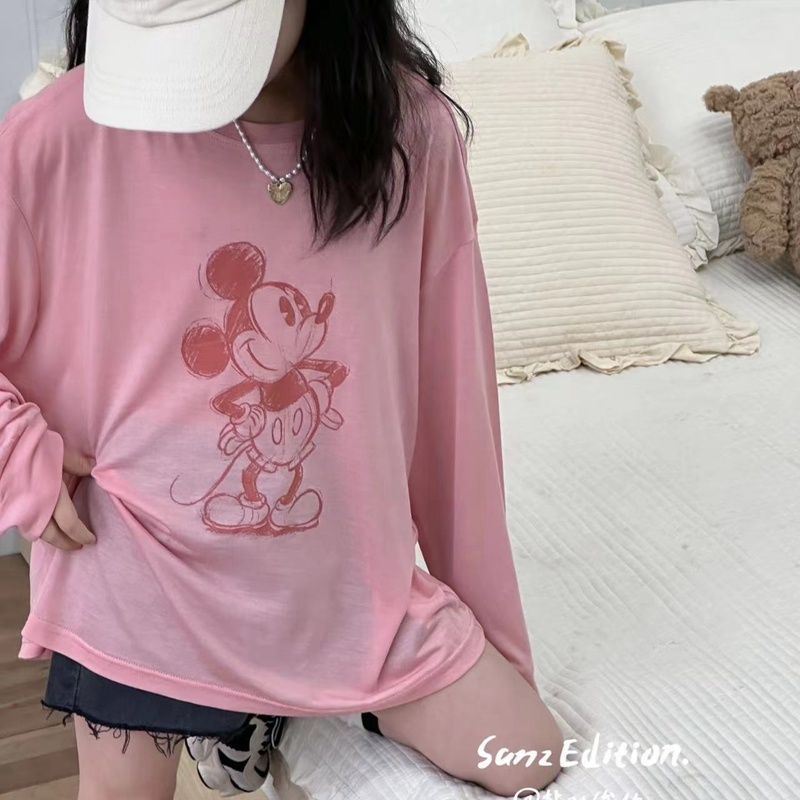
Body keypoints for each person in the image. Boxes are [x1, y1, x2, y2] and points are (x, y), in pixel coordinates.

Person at [0, 0, 564, 797]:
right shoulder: (59, 135)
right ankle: (247, 711)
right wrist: (19, 451)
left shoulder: (413, 133)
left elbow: (454, 414)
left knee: (530, 757)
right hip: (138, 575)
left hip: (350, 594)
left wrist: (495, 645)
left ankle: (269, 710)